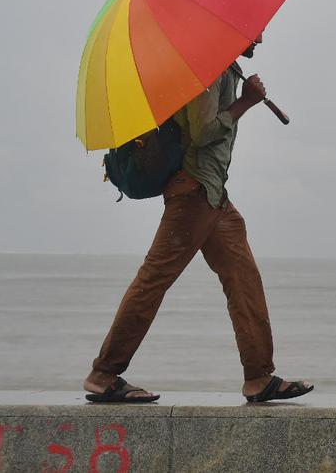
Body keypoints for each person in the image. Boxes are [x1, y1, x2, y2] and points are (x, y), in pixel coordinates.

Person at [82, 35, 313, 404]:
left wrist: (243, 95)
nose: (261, 36)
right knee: (153, 279)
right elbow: (203, 131)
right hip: (194, 193)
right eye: (255, 30)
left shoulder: (225, 65)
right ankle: (104, 374)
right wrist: (245, 103)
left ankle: (259, 377)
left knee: (243, 278)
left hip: (213, 195)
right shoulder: (205, 66)